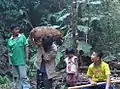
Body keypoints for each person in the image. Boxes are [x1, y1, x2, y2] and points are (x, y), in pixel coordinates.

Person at [7, 24, 30, 89]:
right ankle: (18, 87)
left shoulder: (22, 37)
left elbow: (26, 47)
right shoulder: (9, 40)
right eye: (16, 29)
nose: (18, 30)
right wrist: (10, 62)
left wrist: (27, 57)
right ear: (11, 31)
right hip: (13, 61)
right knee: (16, 77)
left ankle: (26, 87)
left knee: (23, 76)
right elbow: (9, 52)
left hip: (21, 60)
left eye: (18, 29)